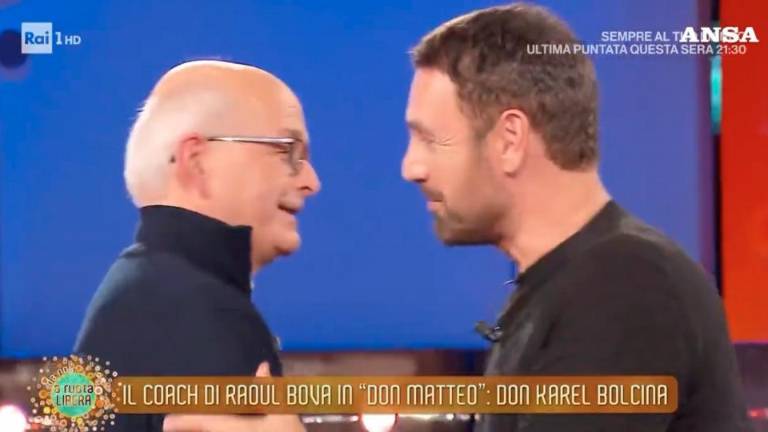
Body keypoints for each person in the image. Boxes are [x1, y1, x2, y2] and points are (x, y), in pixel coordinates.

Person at [401, 3, 751, 431]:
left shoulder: (625, 287)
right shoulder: (562, 288)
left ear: (510, 140)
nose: (411, 167)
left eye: (431, 140)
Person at [74, 60, 320, 432]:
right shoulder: (203, 314)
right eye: (288, 151)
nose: (311, 181)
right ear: (196, 161)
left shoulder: (136, 291)